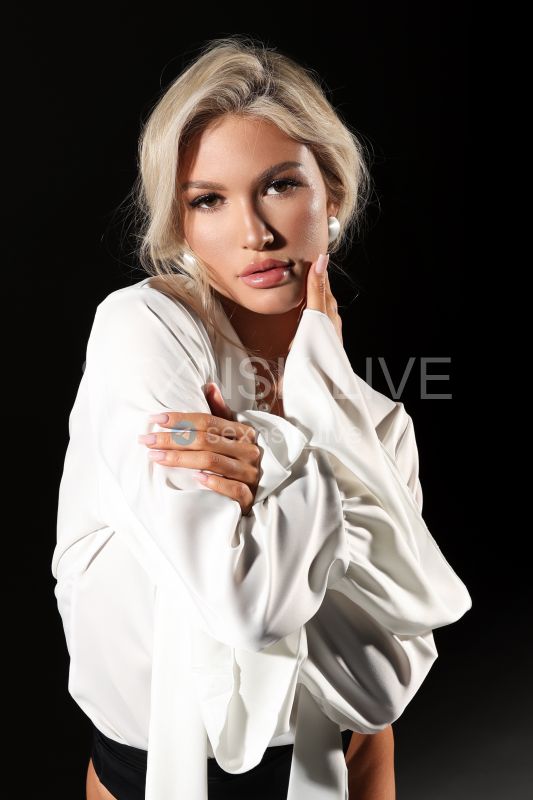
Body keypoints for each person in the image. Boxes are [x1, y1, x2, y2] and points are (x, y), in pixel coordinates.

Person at [52, 35, 472, 800]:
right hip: (147, 774)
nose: (254, 232)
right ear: (180, 225)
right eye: (207, 200)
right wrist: (311, 459)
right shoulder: (140, 330)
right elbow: (243, 604)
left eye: (279, 185)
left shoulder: (378, 423)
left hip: (335, 765)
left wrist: (287, 440)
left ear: (330, 196)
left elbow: (385, 682)